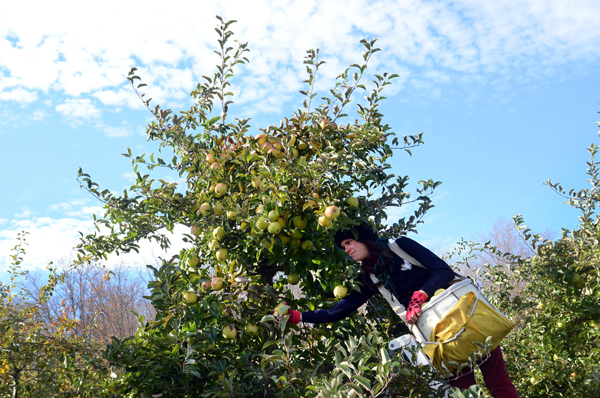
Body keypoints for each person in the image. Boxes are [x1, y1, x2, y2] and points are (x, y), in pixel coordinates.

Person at [282, 224, 519, 398]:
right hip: (438, 338)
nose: (346, 249)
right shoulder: (371, 277)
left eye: (348, 242)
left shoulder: (401, 247)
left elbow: (442, 270)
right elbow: (340, 310)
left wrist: (421, 295)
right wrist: (299, 317)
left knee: (499, 383)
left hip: (465, 321)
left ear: (363, 238)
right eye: (343, 247)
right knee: (463, 393)